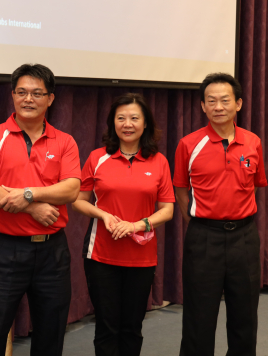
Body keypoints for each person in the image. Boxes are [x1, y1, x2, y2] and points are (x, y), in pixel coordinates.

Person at [0, 63, 81, 356]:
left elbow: (71, 189)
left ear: (50, 98)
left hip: (53, 252)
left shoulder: (65, 141)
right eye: (21, 92)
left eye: (37, 93)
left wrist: (29, 195)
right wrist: (33, 209)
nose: (28, 99)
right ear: (13, 95)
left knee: (51, 333)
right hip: (7, 249)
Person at [73, 93, 175, 356]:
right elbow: (79, 201)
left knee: (132, 327)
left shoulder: (159, 161)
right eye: (121, 118)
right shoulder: (97, 158)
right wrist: (103, 215)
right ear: (113, 123)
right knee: (106, 327)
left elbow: (167, 210)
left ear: (145, 124)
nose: (127, 124)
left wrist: (137, 225)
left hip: (141, 258)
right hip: (100, 255)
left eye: (134, 118)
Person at [173, 73, 267, 356]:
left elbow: (255, 186)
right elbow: (181, 190)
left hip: (245, 238)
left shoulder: (253, 142)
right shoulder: (188, 144)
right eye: (211, 101)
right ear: (203, 106)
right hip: (204, 238)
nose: (218, 107)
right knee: (199, 318)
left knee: (245, 316)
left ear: (238, 103)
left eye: (225, 100)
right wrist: (203, 221)